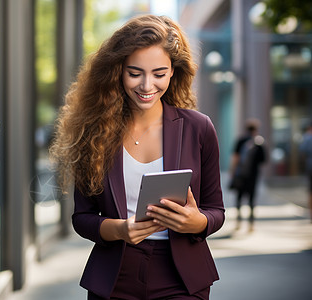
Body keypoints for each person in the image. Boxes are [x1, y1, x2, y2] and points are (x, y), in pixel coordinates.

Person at [50, 15, 224, 300]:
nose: (146, 85)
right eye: (135, 73)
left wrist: (198, 223)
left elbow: (216, 209)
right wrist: (120, 229)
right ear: (117, 71)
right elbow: (82, 218)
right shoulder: (94, 132)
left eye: (158, 73)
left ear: (173, 72)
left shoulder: (198, 127)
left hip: (182, 278)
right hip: (115, 276)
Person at [229, 119, 266, 232]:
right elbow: (264, 160)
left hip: (240, 174)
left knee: (239, 198)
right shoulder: (259, 143)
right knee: (251, 199)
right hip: (253, 175)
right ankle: (251, 224)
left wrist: (232, 171)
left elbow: (235, 158)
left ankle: (238, 221)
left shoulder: (241, 140)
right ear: (256, 130)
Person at [299, 122, 312, 222]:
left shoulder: (307, 137)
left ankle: (310, 214)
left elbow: (302, 152)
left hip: (310, 167)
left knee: (310, 191)